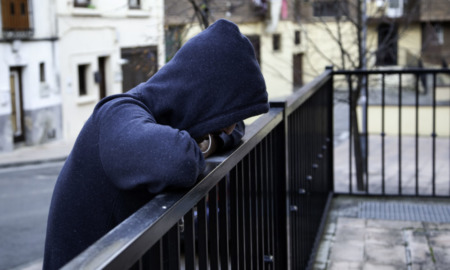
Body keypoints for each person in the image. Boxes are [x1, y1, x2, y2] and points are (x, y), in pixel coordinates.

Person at [43, 19, 269, 269]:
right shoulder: (116, 114)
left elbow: (237, 130)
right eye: (226, 114)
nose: (229, 125)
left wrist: (205, 139)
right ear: (203, 95)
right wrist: (202, 143)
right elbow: (178, 163)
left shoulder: (164, 118)